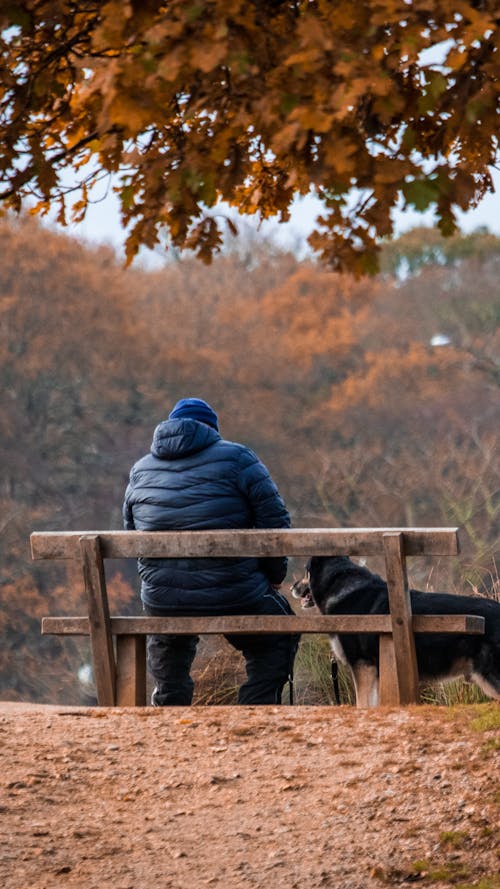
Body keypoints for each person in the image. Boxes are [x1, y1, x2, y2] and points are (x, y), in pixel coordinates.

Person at [122, 397, 298, 706]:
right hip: (235, 593)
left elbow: (130, 535)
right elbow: (275, 523)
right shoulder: (239, 458)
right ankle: (255, 709)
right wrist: (274, 575)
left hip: (164, 596)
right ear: (211, 430)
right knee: (281, 633)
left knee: (168, 634)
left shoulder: (140, 470)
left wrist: (160, 577)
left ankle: (169, 709)